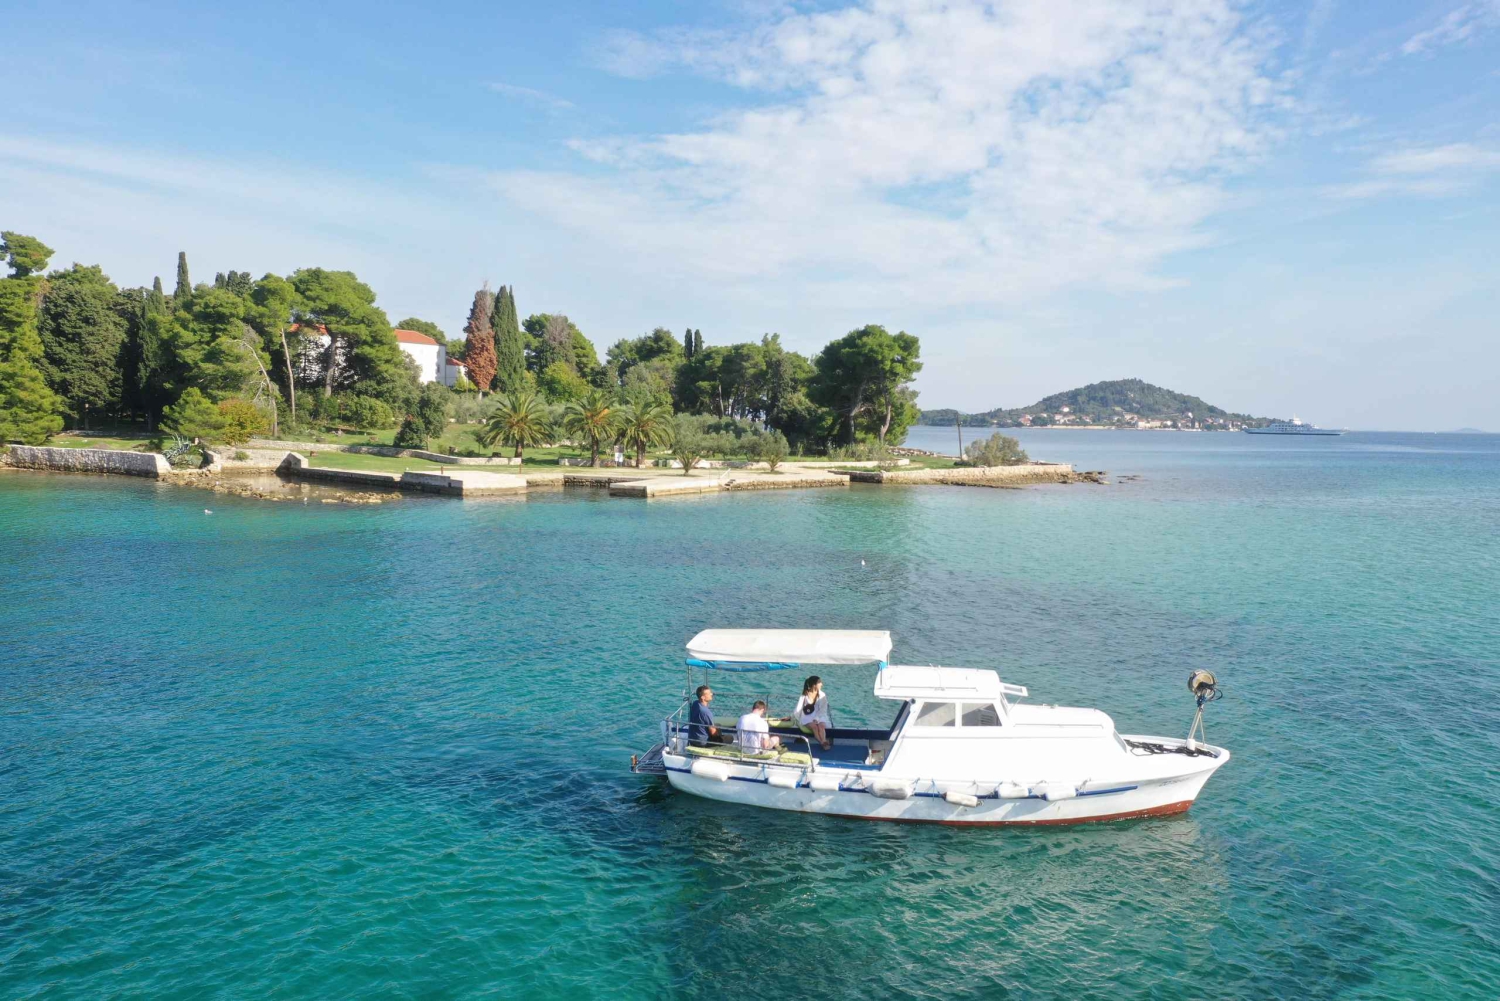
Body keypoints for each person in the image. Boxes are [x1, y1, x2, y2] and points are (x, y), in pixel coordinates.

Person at [797, 676, 833, 750]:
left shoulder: (822, 695)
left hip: (820, 715)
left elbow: (823, 709)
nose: (821, 684)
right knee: (815, 727)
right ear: (814, 685)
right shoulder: (805, 694)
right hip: (807, 716)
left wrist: (817, 718)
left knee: (821, 726)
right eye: (819, 682)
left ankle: (823, 741)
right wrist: (792, 717)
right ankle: (823, 742)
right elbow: (798, 708)